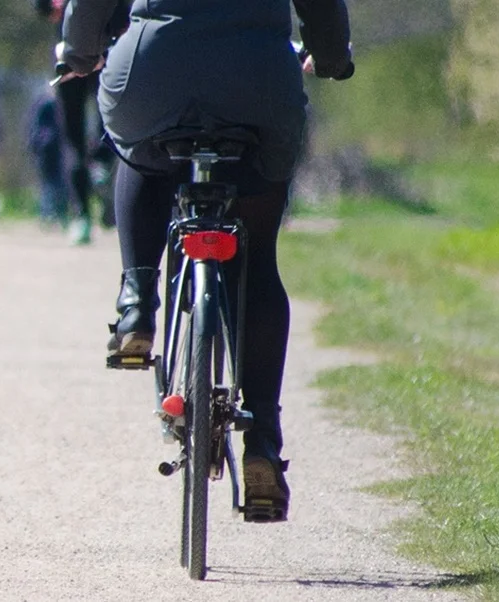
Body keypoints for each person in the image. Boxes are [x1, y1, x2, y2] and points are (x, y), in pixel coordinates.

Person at [60, 0, 353, 521]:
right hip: (257, 81)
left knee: (137, 149)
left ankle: (136, 300)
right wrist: (330, 54)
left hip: (155, 70)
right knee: (258, 257)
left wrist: (80, 52)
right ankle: (262, 435)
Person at [35, 0, 127, 244]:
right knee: (78, 136)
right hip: (79, 51)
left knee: (98, 126)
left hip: (95, 50)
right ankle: (85, 205)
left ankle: (97, 173)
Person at [27, 86, 69, 229]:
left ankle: (55, 214)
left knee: (55, 183)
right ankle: (49, 214)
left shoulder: (53, 105)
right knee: (49, 183)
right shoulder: (45, 105)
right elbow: (33, 129)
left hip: (57, 151)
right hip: (47, 152)